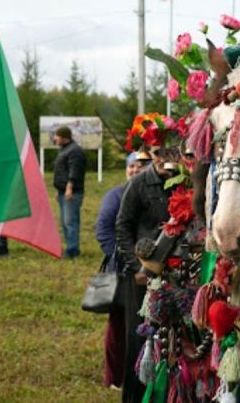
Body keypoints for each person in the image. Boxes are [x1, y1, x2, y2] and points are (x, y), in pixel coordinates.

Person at [115, 148, 174, 403]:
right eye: (159, 153)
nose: (164, 159)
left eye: (171, 153)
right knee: (139, 339)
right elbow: (122, 227)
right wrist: (137, 267)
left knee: (174, 340)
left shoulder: (183, 183)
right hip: (141, 276)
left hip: (174, 276)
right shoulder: (139, 183)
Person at [95, 151, 147, 390]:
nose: (136, 170)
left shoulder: (151, 193)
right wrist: (123, 255)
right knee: (118, 326)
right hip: (122, 271)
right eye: (132, 166)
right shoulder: (115, 195)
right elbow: (104, 230)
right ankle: (115, 376)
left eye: (140, 166)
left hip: (148, 271)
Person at [52, 126, 87, 259]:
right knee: (65, 222)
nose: (55, 138)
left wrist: (69, 187)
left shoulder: (74, 151)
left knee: (70, 221)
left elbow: (75, 171)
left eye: (57, 136)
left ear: (64, 137)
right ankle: (70, 248)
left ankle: (73, 250)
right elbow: (62, 171)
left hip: (72, 193)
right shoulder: (65, 150)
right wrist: (59, 190)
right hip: (63, 192)